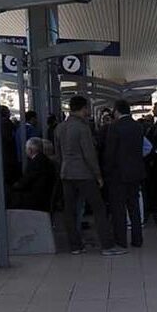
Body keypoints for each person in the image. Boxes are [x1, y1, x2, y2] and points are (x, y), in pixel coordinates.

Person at [56, 95, 114, 255]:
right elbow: (89, 154)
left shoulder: (60, 128)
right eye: (87, 108)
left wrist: (62, 170)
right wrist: (98, 175)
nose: (88, 111)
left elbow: (58, 154)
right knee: (99, 208)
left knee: (70, 210)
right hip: (84, 174)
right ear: (83, 109)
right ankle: (107, 246)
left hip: (66, 174)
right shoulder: (83, 128)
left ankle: (75, 246)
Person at [99, 99, 147, 250]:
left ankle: (121, 240)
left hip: (117, 174)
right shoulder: (138, 126)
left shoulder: (114, 127)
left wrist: (106, 170)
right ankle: (137, 239)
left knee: (118, 208)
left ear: (117, 110)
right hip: (135, 173)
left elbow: (110, 153)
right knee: (134, 207)